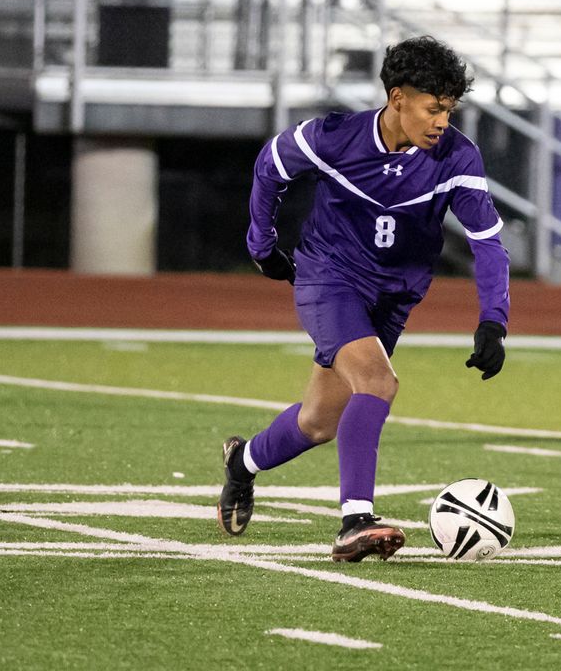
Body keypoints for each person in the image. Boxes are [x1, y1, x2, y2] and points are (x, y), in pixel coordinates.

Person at [217, 36, 510, 562]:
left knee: (318, 422)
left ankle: (243, 463)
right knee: (378, 381)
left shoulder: (456, 157)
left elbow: (486, 241)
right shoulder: (333, 137)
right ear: (397, 98)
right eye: (433, 108)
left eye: (449, 109)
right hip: (328, 277)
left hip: (394, 296)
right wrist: (261, 245)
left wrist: (494, 320)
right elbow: (270, 167)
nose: (443, 121)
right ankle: (354, 520)